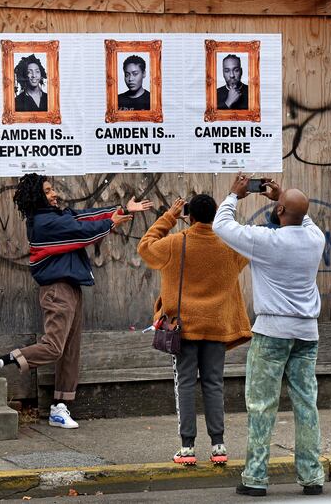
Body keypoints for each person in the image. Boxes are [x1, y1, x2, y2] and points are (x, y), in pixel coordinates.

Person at [0, 173, 152, 429]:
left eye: (53, 190)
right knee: (54, 347)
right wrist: (111, 223)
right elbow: (82, 232)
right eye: (48, 191)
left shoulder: (56, 216)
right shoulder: (43, 223)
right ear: (38, 196)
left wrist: (121, 210)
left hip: (71, 287)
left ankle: (60, 408)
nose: (54, 194)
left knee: (70, 351)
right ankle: (0, 360)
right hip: (57, 289)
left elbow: (83, 217)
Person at [212, 173, 326, 497]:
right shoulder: (315, 239)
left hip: (273, 331)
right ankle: (312, 476)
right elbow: (302, 218)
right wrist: (281, 198)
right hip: (307, 333)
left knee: (262, 406)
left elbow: (222, 226)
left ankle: (256, 477)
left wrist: (235, 195)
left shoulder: (266, 241)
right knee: (307, 405)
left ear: (279, 214)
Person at [137, 194, 252, 465]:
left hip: (184, 327)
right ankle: (218, 446)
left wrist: (169, 217)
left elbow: (145, 247)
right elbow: (249, 247)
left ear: (189, 215)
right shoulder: (230, 245)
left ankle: (187, 447)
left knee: (185, 383)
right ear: (216, 215)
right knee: (214, 384)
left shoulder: (177, 242)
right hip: (217, 326)